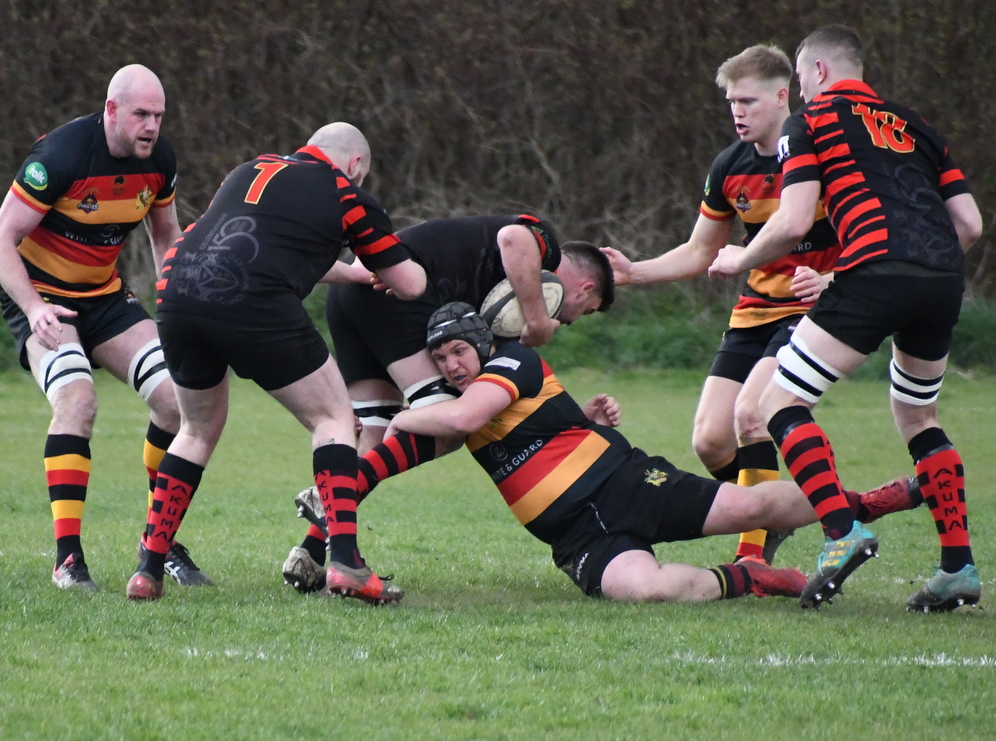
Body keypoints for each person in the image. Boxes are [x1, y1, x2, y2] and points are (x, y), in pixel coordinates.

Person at [291, 302, 921, 602]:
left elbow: (461, 417)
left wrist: (394, 413)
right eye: (441, 358)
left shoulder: (511, 363)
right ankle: (749, 577)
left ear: (481, 344)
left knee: (749, 507)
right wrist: (342, 489)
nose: (452, 364)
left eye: (459, 350)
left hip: (626, 483)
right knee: (643, 592)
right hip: (576, 537)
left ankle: (866, 505)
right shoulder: (451, 405)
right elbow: (401, 457)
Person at [708, 25, 983, 611]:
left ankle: (842, 530)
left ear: (819, 71)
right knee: (919, 416)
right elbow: (970, 224)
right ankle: (957, 568)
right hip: (942, 277)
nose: (801, 89)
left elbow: (792, 220)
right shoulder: (916, 125)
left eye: (801, 77)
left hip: (873, 272)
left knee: (777, 404)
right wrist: (924, 265)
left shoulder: (808, 121)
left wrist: (741, 258)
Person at [124, 122, 427, 603]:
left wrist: (352, 275)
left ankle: (148, 569)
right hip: (252, 300)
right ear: (354, 165)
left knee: (196, 430)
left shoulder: (250, 169)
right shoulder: (345, 192)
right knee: (334, 418)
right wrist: (403, 268)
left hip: (177, 290)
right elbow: (409, 284)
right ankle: (346, 564)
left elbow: (274, 247)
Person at [601, 44, 848, 566]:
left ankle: (752, 557)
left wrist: (831, 279)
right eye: (731, 102)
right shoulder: (730, 165)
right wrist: (632, 272)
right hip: (754, 312)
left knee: (751, 416)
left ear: (782, 96)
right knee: (711, 441)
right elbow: (701, 250)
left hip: (812, 313)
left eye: (747, 101)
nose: (737, 111)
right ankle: (788, 509)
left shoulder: (824, 154)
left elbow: (872, 238)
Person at [281, 218, 615, 590]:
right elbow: (512, 237)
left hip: (353, 295)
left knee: (373, 437)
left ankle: (311, 554)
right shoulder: (544, 248)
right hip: (393, 295)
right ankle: (335, 492)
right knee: (447, 425)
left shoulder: (506, 275)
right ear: (585, 289)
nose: (571, 321)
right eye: (585, 311)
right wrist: (537, 321)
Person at [0, 64, 211, 590]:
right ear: (111, 110)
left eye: (159, 115)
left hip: (103, 296)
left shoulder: (159, 160)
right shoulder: (61, 156)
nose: (151, 126)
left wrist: (178, 304)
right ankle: (67, 559)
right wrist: (34, 308)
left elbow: (165, 235)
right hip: (42, 297)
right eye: (141, 114)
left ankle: (158, 541)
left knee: (177, 401)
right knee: (78, 402)